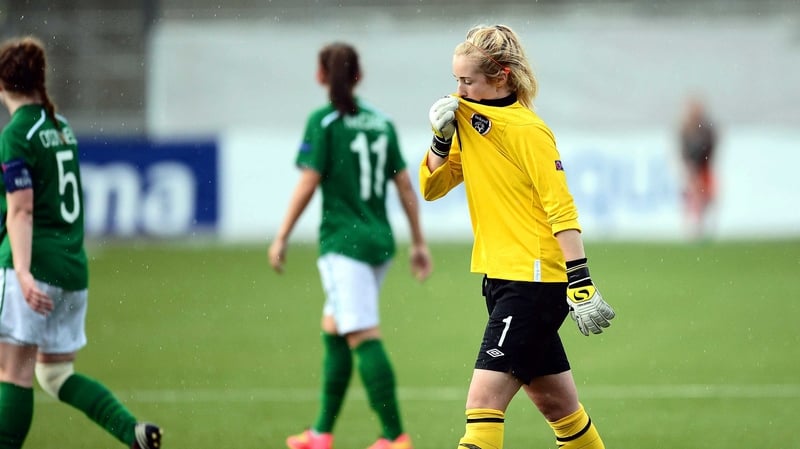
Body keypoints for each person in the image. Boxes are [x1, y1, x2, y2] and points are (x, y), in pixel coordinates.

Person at [420, 25, 616, 449]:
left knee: (483, 402)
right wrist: (440, 140)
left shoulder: (529, 131)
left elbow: (560, 206)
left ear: (502, 76)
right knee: (558, 408)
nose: (458, 89)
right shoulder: (465, 117)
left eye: (467, 80)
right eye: (456, 79)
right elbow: (432, 188)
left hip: (534, 283)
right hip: (501, 278)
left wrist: (579, 278)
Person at [0, 36, 162, 449]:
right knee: (53, 374)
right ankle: (131, 431)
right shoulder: (61, 125)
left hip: (34, 269)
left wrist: (21, 271)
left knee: (13, 373)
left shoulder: (17, 133)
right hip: (71, 268)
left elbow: (22, 210)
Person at [268, 42, 432, 449]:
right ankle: (321, 433)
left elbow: (308, 182)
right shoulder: (381, 123)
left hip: (345, 245)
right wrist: (418, 242)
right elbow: (406, 184)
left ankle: (395, 436)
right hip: (379, 242)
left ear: (321, 76)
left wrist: (282, 235)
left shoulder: (323, 122)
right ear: (358, 76)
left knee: (361, 333)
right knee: (336, 329)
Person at [679, 96, 717, 240]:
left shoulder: (705, 129)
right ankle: (690, 229)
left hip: (703, 167)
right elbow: (683, 148)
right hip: (691, 168)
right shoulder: (686, 128)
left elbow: (710, 146)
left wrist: (702, 162)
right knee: (691, 198)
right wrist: (689, 165)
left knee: (705, 198)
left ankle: (703, 227)